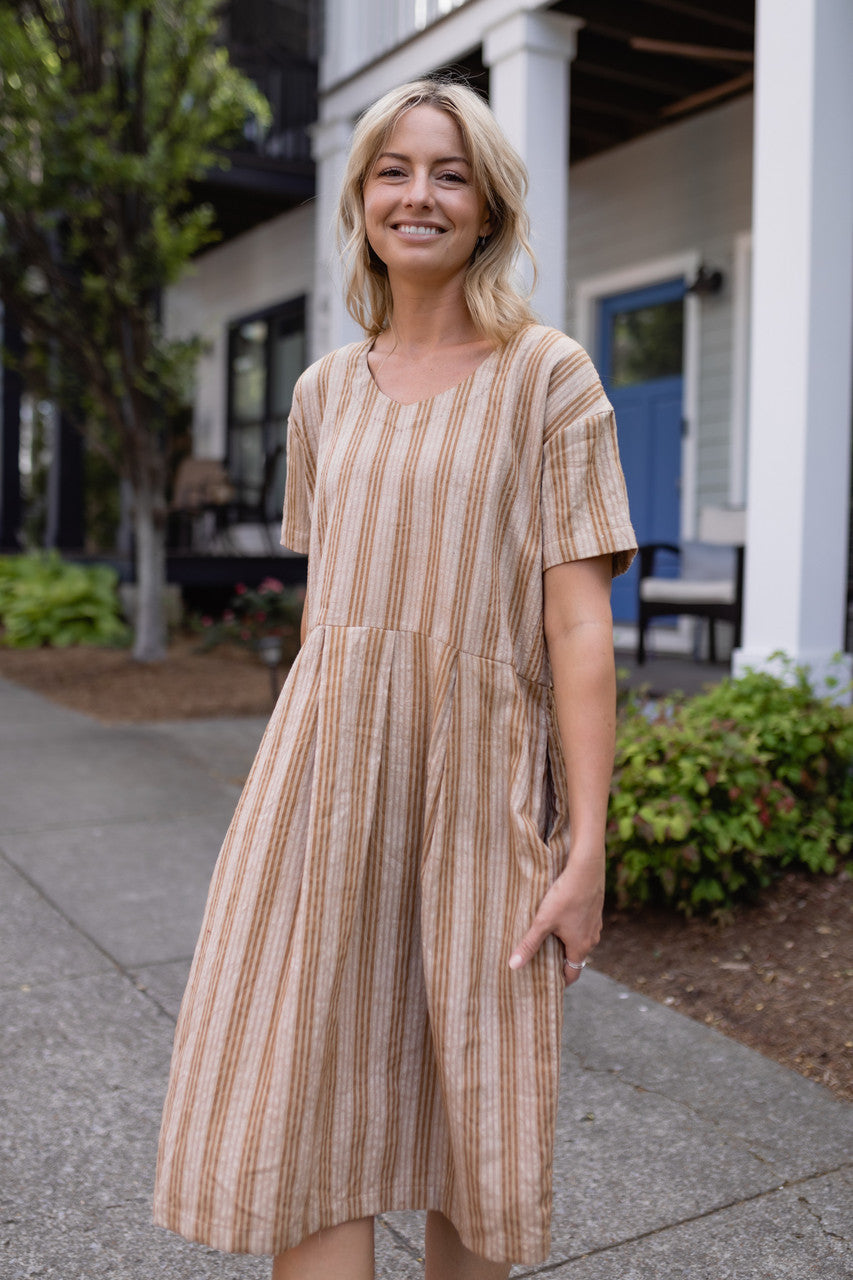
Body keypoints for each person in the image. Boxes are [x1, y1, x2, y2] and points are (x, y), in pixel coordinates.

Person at [153, 77, 636, 1280]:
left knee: (476, 1110)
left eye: (450, 172)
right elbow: (331, 619)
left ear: (488, 208)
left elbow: (578, 628)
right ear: (363, 199)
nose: (419, 194)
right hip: (324, 788)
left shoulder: (549, 375)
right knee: (308, 1097)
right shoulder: (321, 391)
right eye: (394, 171)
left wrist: (585, 846)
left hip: (477, 791)